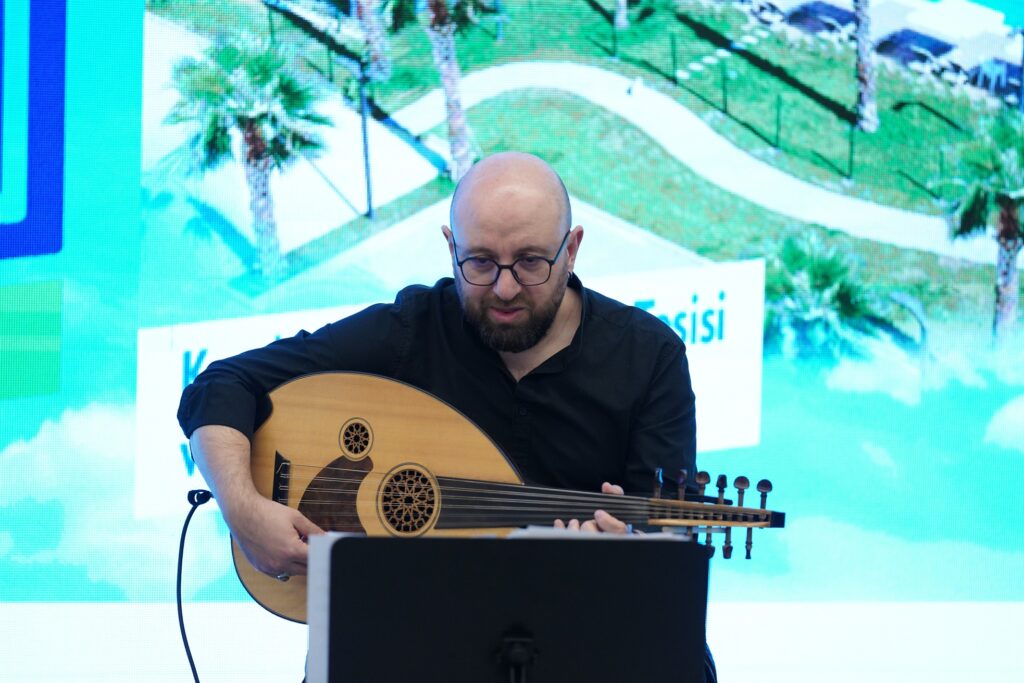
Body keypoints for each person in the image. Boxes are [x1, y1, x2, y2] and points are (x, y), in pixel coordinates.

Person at [177, 151, 711, 678]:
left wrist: (625, 557)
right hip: (413, 634)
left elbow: (667, 552)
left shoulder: (647, 356)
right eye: (480, 262)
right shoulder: (410, 332)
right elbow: (222, 385)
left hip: (580, 634)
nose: (504, 287)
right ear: (451, 249)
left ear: (571, 250)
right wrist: (244, 510)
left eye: (530, 261)